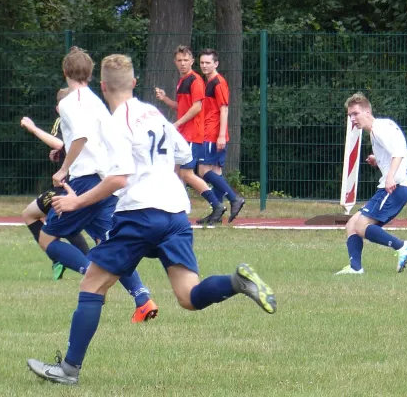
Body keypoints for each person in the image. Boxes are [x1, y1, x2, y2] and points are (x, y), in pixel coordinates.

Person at [26, 54, 277, 385]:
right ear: (134, 82)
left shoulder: (115, 124)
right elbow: (184, 158)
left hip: (141, 214)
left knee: (92, 284)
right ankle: (236, 282)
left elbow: (117, 179)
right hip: (176, 212)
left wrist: (77, 202)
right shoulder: (156, 114)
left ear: (103, 87)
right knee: (189, 297)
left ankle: (69, 370)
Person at [36, 47, 158, 322]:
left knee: (47, 238)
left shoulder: (68, 102)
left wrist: (63, 169)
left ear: (65, 72)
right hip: (106, 179)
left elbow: (81, 137)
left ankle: (88, 268)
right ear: (91, 75)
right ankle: (142, 298)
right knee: (110, 242)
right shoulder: (94, 100)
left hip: (85, 180)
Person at [335, 92, 407, 275]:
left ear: (367, 111)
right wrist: (377, 160)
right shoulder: (378, 129)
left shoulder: (379, 129)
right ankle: (356, 268)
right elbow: (394, 151)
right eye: (350, 116)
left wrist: (390, 177)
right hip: (393, 186)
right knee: (352, 224)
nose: (353, 119)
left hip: (395, 187)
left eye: (355, 114)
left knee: (361, 226)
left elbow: (400, 152)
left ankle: (401, 246)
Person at [20, 88, 89, 280]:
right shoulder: (78, 118)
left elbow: (60, 144)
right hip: (79, 182)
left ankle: (78, 264)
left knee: (38, 217)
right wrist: (60, 154)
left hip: (70, 184)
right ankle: (75, 261)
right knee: (64, 224)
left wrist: (33, 129)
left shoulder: (71, 119)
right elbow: (65, 146)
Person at [155, 45, 226, 225]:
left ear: (191, 61)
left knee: (187, 174)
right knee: (177, 172)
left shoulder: (196, 81)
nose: (183, 63)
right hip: (183, 135)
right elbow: (183, 107)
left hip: (193, 135)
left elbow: (197, 107)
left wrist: (177, 124)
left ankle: (218, 204)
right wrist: (165, 99)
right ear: (175, 62)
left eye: (186, 60)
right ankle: (177, 210)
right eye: (179, 60)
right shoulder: (183, 81)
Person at [197, 48, 245, 224]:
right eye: (202, 62)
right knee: (216, 172)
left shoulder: (219, 82)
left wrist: (221, 135)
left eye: (208, 63)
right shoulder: (207, 81)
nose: (204, 65)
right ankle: (217, 213)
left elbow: (224, 108)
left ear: (215, 64)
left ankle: (234, 199)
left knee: (203, 171)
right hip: (209, 131)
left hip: (213, 133)